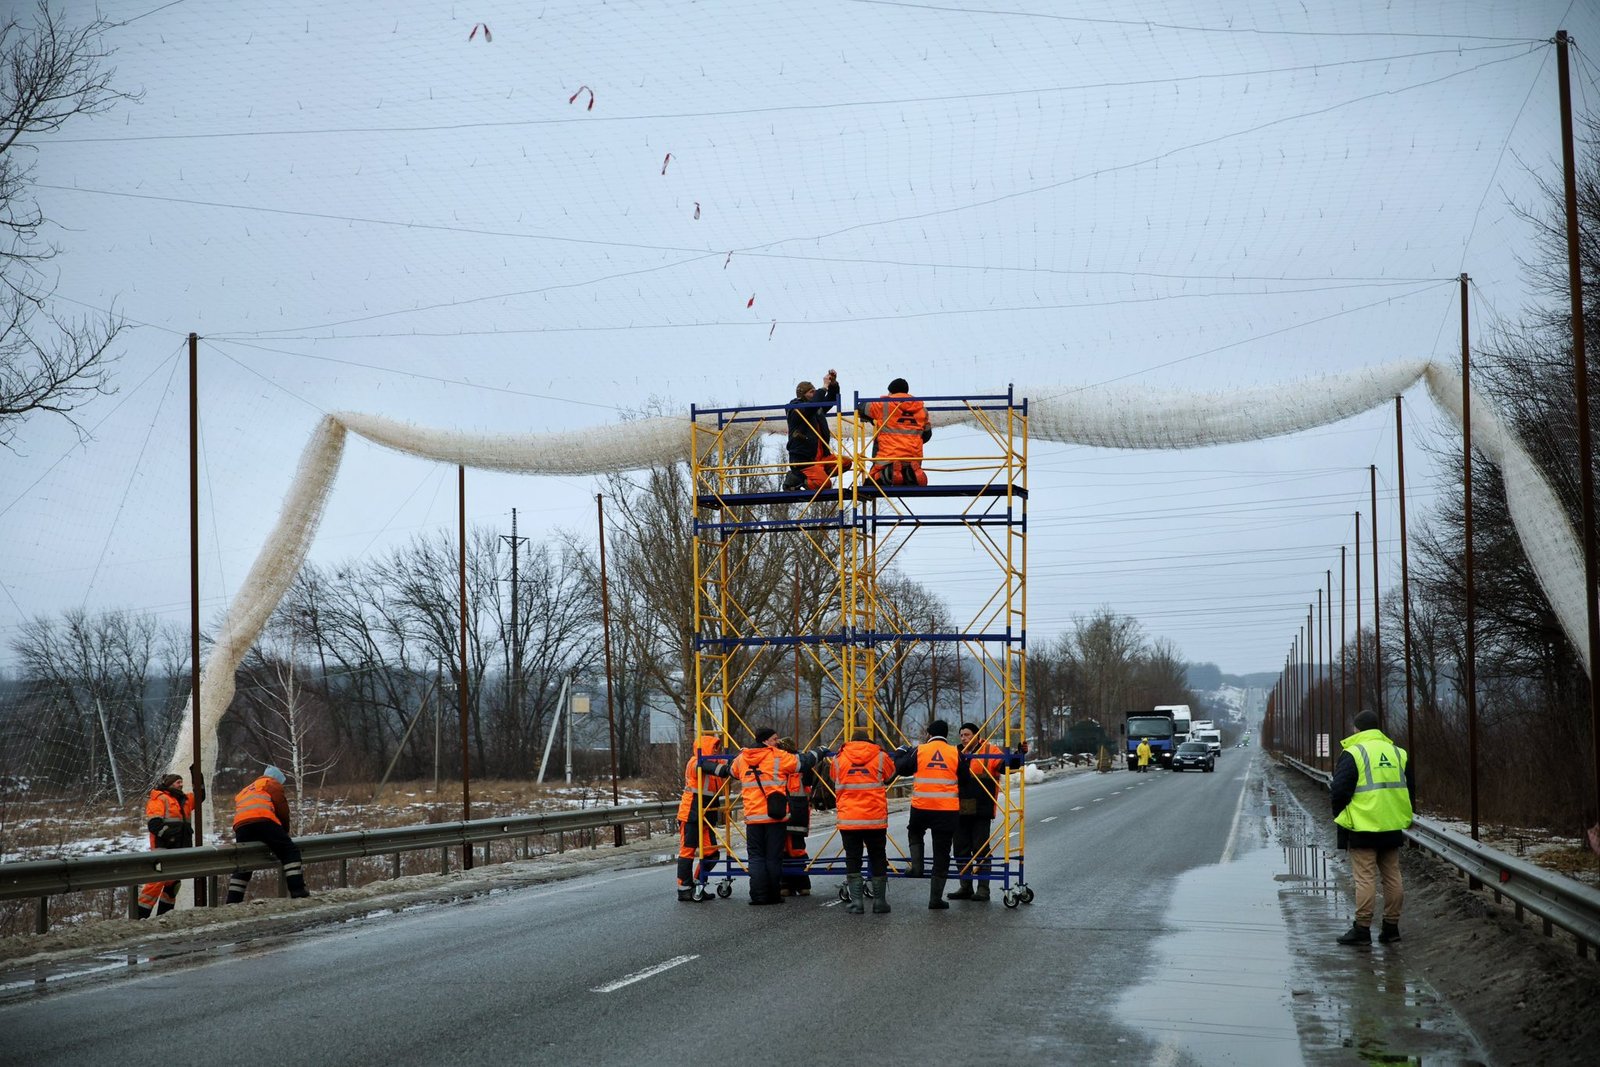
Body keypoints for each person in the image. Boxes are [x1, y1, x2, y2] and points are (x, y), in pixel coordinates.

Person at [705, 727, 827, 905]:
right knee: (773, 857)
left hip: (753, 818)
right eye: (774, 738)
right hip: (775, 816)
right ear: (765, 741)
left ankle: (758, 895)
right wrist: (821, 751)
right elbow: (804, 762)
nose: (777, 742)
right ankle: (773, 894)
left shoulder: (742, 758)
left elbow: (729, 771)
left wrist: (704, 764)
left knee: (756, 858)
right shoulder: (777, 756)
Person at [1331, 709, 1414, 946]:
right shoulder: (1398, 753)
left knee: (1365, 878)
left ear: (1357, 729)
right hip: (1392, 825)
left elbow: (1339, 791)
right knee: (1392, 876)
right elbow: (1410, 790)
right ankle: (1391, 928)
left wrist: (1341, 816)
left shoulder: (1354, 752)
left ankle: (1362, 929)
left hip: (1362, 827)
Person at [949, 722, 1025, 902]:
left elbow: (1007, 766)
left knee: (980, 849)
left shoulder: (989, 750)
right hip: (958, 809)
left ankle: (983, 889)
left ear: (976, 736)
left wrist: (1019, 754)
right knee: (960, 849)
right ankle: (965, 886)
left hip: (981, 810)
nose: (963, 738)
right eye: (961, 735)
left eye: (967, 735)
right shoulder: (955, 753)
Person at [832, 716, 898, 914]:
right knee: (878, 857)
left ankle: (857, 903)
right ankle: (879, 902)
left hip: (849, 819)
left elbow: (833, 777)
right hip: (874, 818)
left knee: (853, 858)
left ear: (851, 741)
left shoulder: (838, 758)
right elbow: (891, 774)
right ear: (868, 740)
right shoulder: (879, 756)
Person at [894, 719, 960, 909]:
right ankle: (935, 899)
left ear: (930, 734)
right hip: (947, 810)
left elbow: (902, 767)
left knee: (914, 832)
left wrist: (900, 752)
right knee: (942, 854)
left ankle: (917, 867)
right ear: (946, 734)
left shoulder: (920, 750)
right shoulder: (955, 752)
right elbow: (964, 776)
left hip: (921, 807)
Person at [225, 765, 310, 903]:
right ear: (276, 778)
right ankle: (297, 890)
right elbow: (282, 810)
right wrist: (284, 832)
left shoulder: (247, 788)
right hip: (262, 819)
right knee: (289, 851)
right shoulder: (271, 783)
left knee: (245, 861)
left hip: (241, 826)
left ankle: (233, 900)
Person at [136, 772, 200, 918]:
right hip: (163, 847)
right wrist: (169, 837)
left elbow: (199, 797)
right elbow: (154, 824)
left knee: (173, 883)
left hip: (179, 847)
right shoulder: (160, 798)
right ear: (170, 783)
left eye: (181, 781)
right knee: (156, 882)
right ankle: (139, 917)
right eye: (178, 782)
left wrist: (198, 777)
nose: (181, 784)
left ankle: (164, 918)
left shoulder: (184, 800)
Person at [676, 732, 729, 902]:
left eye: (717, 749)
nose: (716, 751)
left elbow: (727, 768)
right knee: (688, 851)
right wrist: (726, 766)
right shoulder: (695, 762)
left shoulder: (715, 763)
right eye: (714, 748)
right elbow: (712, 768)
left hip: (707, 816)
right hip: (691, 813)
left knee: (712, 853)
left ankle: (699, 884)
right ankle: (684, 889)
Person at [859, 377, 931, 486]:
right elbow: (927, 435)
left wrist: (872, 419)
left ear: (891, 391)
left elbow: (861, 407)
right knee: (908, 474)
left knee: (871, 482)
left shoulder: (884, 404)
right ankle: (912, 474)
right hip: (913, 459)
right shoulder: (922, 410)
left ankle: (889, 474)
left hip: (888, 459)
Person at [783, 369, 842, 490]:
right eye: (811, 392)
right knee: (825, 485)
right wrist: (824, 387)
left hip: (820, 458)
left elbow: (831, 400)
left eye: (815, 391)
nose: (814, 394)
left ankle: (818, 474)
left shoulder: (815, 409)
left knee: (845, 463)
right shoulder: (796, 408)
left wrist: (833, 385)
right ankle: (798, 479)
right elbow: (810, 408)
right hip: (804, 460)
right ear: (802, 395)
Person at [777, 737, 815, 897]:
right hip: (790, 812)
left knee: (793, 849)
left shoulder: (797, 765)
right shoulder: (800, 764)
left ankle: (798, 884)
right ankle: (791, 885)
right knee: (787, 849)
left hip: (793, 813)